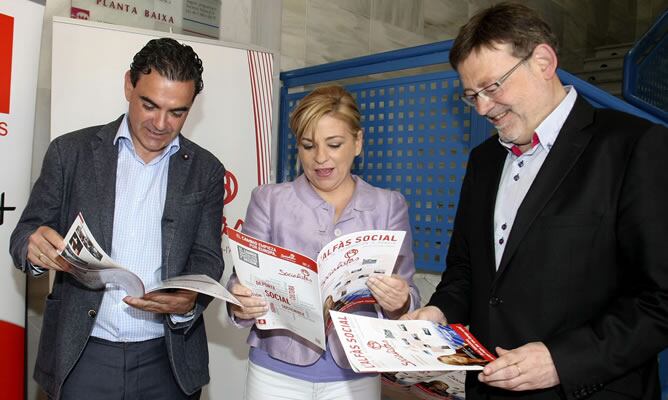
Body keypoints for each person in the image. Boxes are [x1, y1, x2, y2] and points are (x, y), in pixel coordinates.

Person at [402, 3, 668, 399]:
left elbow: (660, 300)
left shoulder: (635, 146)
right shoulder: (483, 161)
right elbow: (465, 270)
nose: (482, 108)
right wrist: (440, 312)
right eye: (471, 95)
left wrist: (561, 360)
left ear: (543, 60)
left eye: (492, 88)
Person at [9, 38, 226, 400]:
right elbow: (26, 232)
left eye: (177, 112)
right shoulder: (70, 152)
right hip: (81, 353)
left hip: (168, 360)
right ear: (129, 84)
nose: (160, 123)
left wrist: (190, 299)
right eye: (149, 105)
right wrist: (32, 247)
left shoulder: (206, 170)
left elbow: (207, 255)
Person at [228, 84, 420, 399]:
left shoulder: (389, 205)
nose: (320, 158)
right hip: (276, 371)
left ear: (358, 142)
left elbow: (408, 293)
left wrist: (400, 300)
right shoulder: (269, 200)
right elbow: (241, 280)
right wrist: (240, 300)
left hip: (355, 373)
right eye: (308, 145)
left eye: (334, 144)